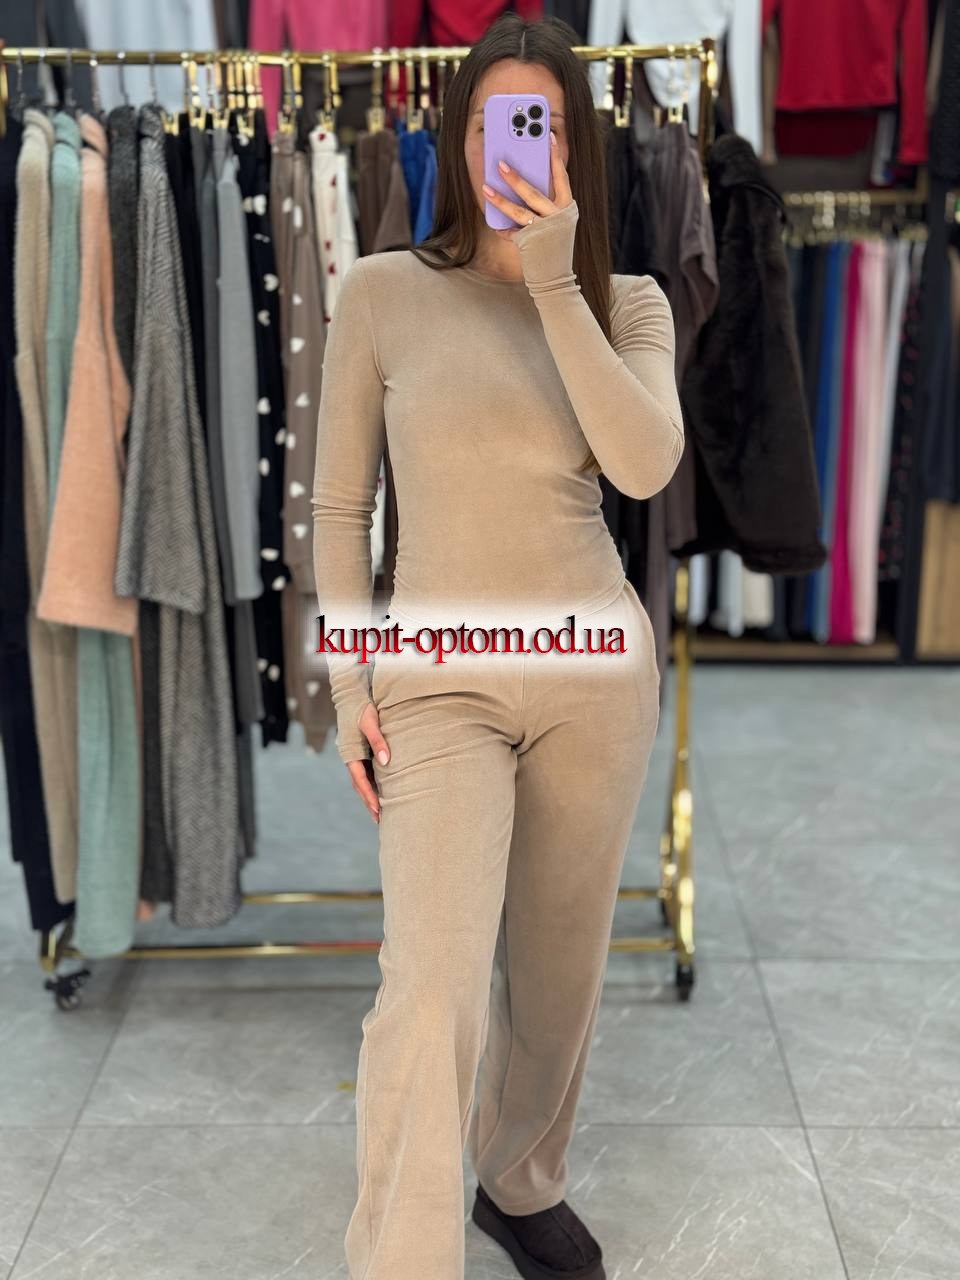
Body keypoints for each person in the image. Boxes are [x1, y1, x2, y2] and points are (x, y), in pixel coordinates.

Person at [311, 14, 684, 1279]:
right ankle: (403, 1255)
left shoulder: (629, 303)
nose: (508, 147)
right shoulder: (381, 292)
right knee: (431, 981)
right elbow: (339, 508)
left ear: (573, 147)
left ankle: (521, 1182)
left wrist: (558, 280)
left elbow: (644, 464)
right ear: (458, 135)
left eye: (538, 124)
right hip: (439, 675)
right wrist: (351, 681)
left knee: (559, 970)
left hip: (594, 676)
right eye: (489, 122)